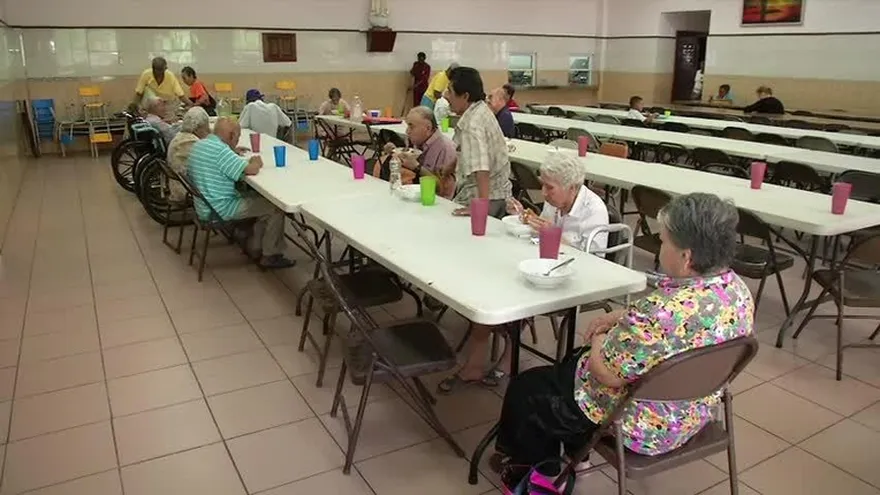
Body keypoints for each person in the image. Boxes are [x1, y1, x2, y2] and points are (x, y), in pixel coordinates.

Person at [491, 193, 754, 489]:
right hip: (692, 411)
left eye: (664, 241)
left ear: (686, 257)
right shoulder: (737, 293)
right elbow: (684, 324)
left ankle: (540, 475)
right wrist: (623, 316)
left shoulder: (659, 313)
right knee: (568, 366)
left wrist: (599, 338)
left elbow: (605, 374)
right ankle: (573, 451)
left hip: (642, 426)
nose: (660, 247)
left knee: (529, 388)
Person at [436, 67, 513, 395]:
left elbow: (481, 167)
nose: (446, 96)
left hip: (487, 196)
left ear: (465, 95)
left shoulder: (474, 121)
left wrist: (479, 207)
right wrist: (450, 167)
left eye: (450, 92)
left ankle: (478, 313)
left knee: (467, 255)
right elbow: (467, 154)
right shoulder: (477, 112)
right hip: (487, 192)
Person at [187, 118, 296, 269]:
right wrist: (256, 162)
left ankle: (256, 246)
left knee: (259, 198)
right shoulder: (221, 152)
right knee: (276, 207)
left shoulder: (200, 145)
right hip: (219, 209)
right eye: (237, 138)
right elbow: (251, 170)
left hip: (204, 206)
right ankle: (270, 255)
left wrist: (231, 152)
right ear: (231, 135)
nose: (237, 141)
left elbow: (223, 162)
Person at [506, 153, 609, 253]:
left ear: (571, 188)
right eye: (543, 185)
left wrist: (554, 236)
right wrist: (524, 217)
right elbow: (539, 234)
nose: (543, 193)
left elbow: (593, 259)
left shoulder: (594, 211)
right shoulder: (553, 200)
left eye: (549, 187)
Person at [383, 106, 457, 199]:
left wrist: (417, 167)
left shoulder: (445, 148)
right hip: (415, 194)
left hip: (435, 200)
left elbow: (444, 190)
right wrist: (395, 153)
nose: (407, 131)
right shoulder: (418, 141)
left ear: (428, 128)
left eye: (411, 126)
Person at [167, 106, 210, 201]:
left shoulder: (181, 136)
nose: (208, 132)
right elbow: (212, 162)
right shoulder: (190, 142)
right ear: (197, 128)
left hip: (180, 184)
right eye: (206, 128)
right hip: (186, 190)